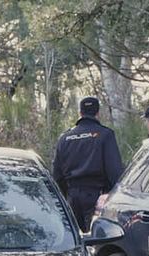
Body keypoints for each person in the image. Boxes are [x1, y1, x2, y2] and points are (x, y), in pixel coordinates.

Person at [52, 96, 124, 231]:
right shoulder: (105, 134)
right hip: (97, 196)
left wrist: (65, 196)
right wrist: (113, 195)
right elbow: (114, 171)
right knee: (96, 236)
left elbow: (57, 175)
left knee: (75, 237)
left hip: (72, 197)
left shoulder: (64, 138)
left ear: (80, 113)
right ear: (98, 113)